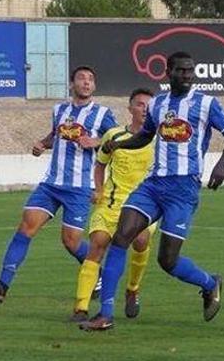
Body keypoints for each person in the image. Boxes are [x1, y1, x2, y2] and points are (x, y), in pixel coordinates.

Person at [79, 51, 224, 331]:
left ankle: (209, 282)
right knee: (121, 237)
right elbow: (145, 135)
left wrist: (221, 166)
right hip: (153, 185)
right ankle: (105, 314)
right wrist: (119, 144)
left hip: (183, 188)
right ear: (168, 72)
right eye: (181, 71)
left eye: (191, 71)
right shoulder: (158, 104)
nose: (187, 75)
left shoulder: (205, 103)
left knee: (167, 260)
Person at [0, 66, 117, 303]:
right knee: (26, 227)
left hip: (79, 186)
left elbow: (115, 139)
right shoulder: (59, 109)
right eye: (81, 78)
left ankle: (97, 273)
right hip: (51, 183)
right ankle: (2, 284)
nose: (86, 82)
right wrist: (42, 144)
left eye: (91, 79)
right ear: (72, 84)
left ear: (94, 86)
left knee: (71, 241)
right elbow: (56, 136)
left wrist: (96, 141)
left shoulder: (102, 113)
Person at [71, 88, 158, 323]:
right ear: (130, 109)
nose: (144, 109)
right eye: (140, 104)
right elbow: (100, 165)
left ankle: (132, 289)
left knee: (141, 241)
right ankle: (80, 308)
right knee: (97, 244)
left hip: (144, 204)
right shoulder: (113, 135)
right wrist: (98, 189)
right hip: (111, 203)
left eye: (148, 106)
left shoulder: (160, 140)